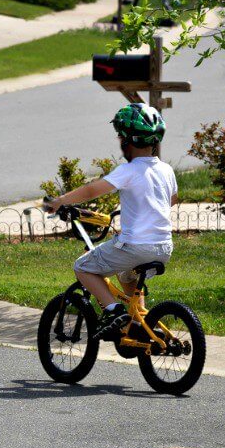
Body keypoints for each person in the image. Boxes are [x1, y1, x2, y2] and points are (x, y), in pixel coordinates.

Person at [44, 103, 178, 337]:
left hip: (136, 247)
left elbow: (90, 191)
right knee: (126, 274)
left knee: (83, 266)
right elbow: (171, 201)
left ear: (126, 140)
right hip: (164, 248)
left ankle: (114, 311)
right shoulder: (166, 170)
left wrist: (60, 201)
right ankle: (140, 323)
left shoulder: (129, 170)